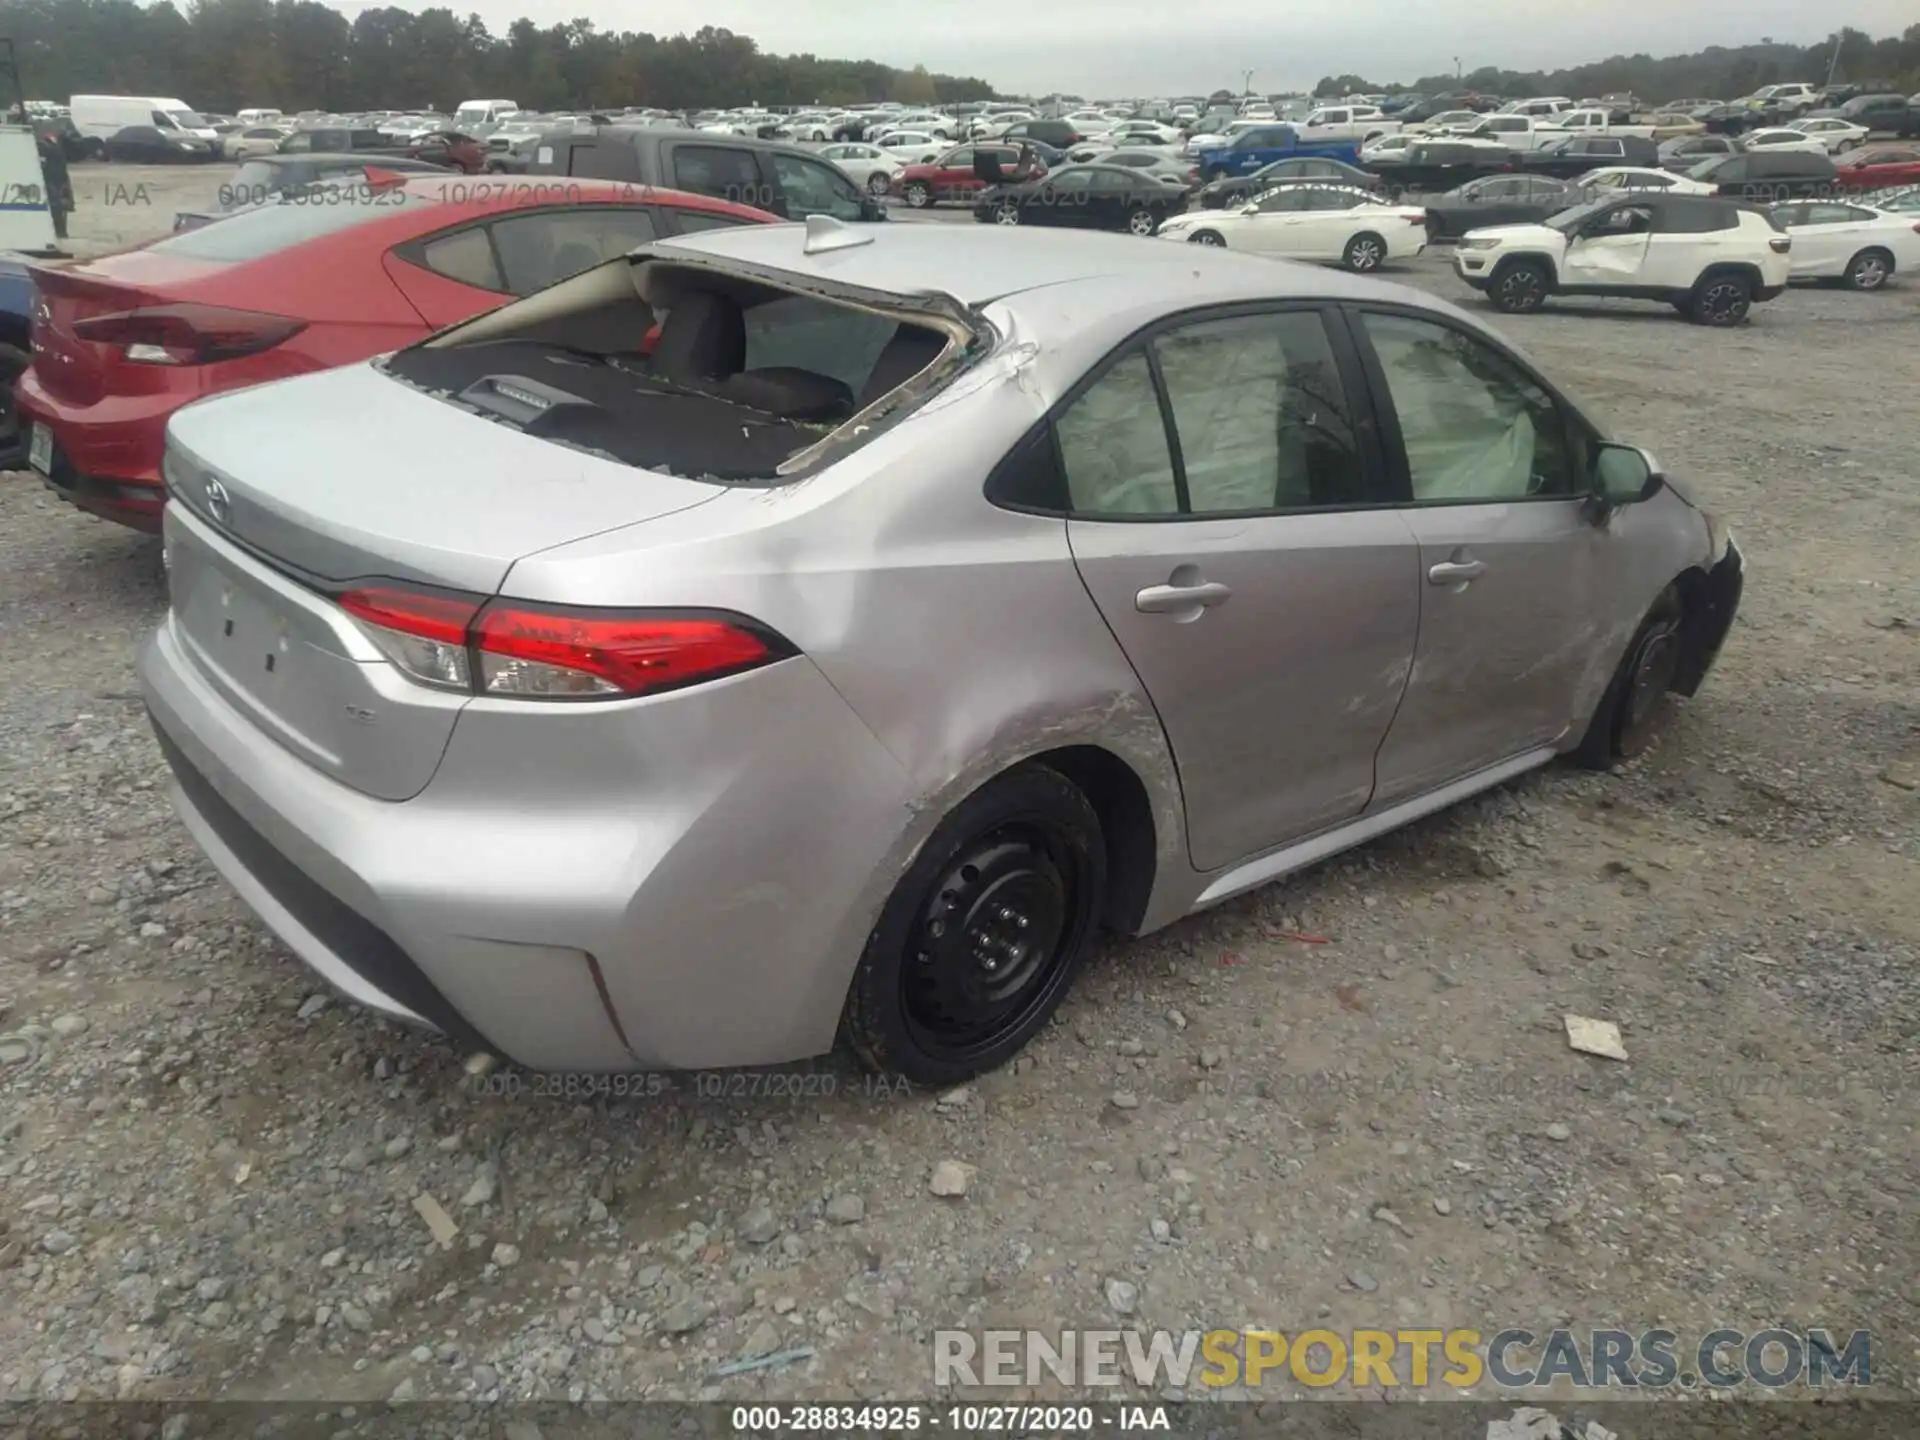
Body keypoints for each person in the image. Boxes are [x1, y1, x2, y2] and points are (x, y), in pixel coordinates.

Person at [35, 129, 72, 241]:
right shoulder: (57, 149)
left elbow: (43, 165)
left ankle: (59, 232)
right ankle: (60, 232)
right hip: (56, 181)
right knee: (57, 207)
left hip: (50, 180)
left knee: (54, 206)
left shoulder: (44, 148)